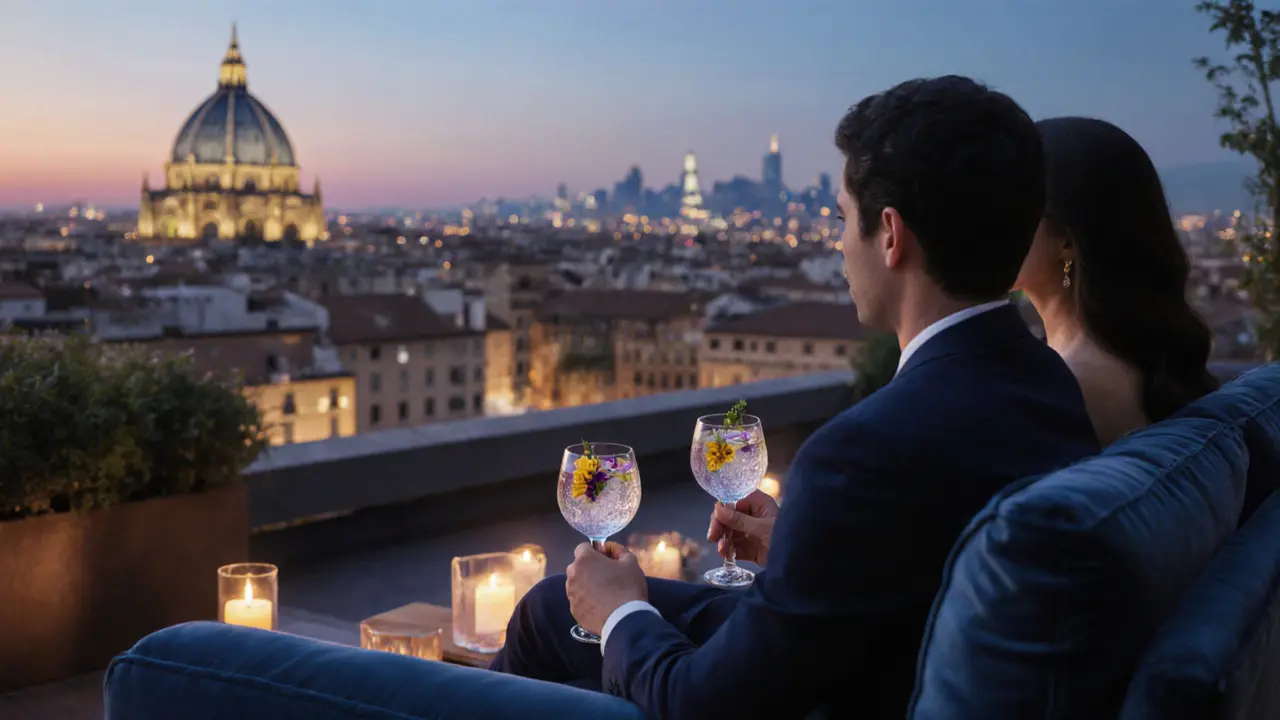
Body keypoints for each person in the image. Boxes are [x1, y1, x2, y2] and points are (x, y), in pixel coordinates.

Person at [490, 76, 1102, 719]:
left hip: (849, 690)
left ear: (890, 235)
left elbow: (704, 706)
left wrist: (619, 613)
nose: (837, 244)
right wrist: (803, 546)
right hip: (891, 656)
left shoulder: (859, 453)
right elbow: (935, 556)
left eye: (841, 218)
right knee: (548, 607)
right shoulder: (1046, 382)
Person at [1013, 116, 1219, 446]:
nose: (986, 224)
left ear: (1066, 241)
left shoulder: (1072, 385)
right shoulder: (1133, 358)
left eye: (1009, 208)